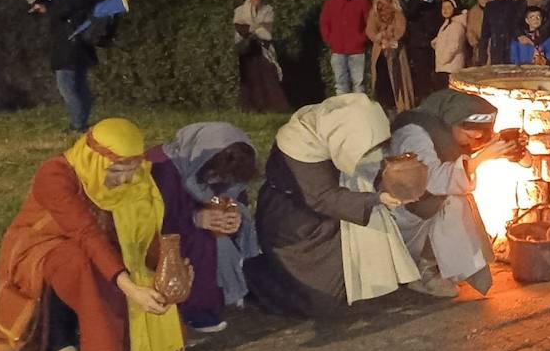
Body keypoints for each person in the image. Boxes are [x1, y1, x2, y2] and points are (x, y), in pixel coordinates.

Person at [0, 119, 185, 351]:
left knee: (116, 260)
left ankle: (111, 337)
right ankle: (59, 343)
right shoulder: (55, 174)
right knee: (80, 261)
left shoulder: (136, 178)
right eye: (117, 171)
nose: (126, 180)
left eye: (131, 169)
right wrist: (130, 287)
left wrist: (167, 266)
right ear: (94, 159)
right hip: (40, 247)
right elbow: (85, 234)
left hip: (97, 246)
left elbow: (144, 232)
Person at [251, 95, 420, 315]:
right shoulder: (300, 144)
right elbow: (322, 197)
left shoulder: (340, 128)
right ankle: (255, 274)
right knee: (320, 302)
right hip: (294, 227)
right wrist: (376, 199)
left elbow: (365, 168)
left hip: (327, 218)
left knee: (345, 284)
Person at [389, 89, 519, 297]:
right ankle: (424, 271)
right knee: (454, 202)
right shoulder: (414, 133)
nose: (474, 142)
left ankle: (437, 265)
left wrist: (503, 149)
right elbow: (428, 179)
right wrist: (479, 160)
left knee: (458, 198)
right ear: (454, 122)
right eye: (471, 135)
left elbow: (455, 156)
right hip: (398, 209)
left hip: (419, 204)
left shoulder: (447, 130)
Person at [146, 123, 260, 333]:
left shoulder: (217, 166)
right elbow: (151, 220)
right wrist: (194, 219)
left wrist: (233, 215)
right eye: (216, 174)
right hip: (160, 235)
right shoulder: (162, 168)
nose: (219, 180)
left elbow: (232, 196)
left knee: (226, 233)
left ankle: (223, 292)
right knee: (204, 240)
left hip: (189, 224)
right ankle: (195, 308)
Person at [33, 0, 103, 132]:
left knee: (68, 88)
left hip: (69, 47)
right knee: (79, 86)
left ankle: (78, 125)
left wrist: (46, 8)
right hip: (81, 46)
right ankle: (81, 122)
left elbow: (62, 12)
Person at [233, 0, 291, 113]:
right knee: (250, 78)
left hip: (263, 48)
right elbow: (240, 28)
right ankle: (251, 108)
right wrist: (255, 27)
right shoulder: (240, 10)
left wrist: (252, 28)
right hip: (247, 49)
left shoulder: (267, 10)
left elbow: (267, 29)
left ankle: (273, 108)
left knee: (268, 76)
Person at [319, 0, 371, 95]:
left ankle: (358, 111)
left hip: (357, 49)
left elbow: (370, 22)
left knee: (358, 84)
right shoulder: (330, 3)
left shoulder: (362, 1)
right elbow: (324, 24)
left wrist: (362, 38)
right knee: (340, 84)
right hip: (337, 49)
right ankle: (343, 112)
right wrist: (330, 40)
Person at [365, 0, 415, 113]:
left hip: (395, 50)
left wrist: (392, 38)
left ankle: (401, 106)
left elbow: (401, 27)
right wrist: (379, 37)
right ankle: (384, 106)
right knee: (381, 81)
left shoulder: (397, 10)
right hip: (380, 51)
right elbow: (370, 29)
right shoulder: (374, 12)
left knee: (398, 79)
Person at [406, 0, 445, 96]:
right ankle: (424, 99)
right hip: (419, 45)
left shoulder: (437, 4)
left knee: (435, 75)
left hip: (434, 44)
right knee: (422, 76)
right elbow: (410, 14)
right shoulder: (414, 2)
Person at [478, 0, 524, 66]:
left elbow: (517, 26)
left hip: (511, 47)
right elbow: (485, 32)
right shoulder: (490, 6)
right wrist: (482, 55)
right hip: (496, 47)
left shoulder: (516, 6)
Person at [432, 0, 469, 80]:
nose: (445, 10)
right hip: (444, 67)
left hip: (451, 67)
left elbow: (453, 46)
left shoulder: (456, 25)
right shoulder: (447, 24)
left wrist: (442, 59)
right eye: (443, 7)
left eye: (448, 7)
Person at [466, 0, 493, 66]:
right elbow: (470, 29)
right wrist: (473, 41)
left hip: (492, 44)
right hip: (478, 45)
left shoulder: (495, 8)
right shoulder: (473, 11)